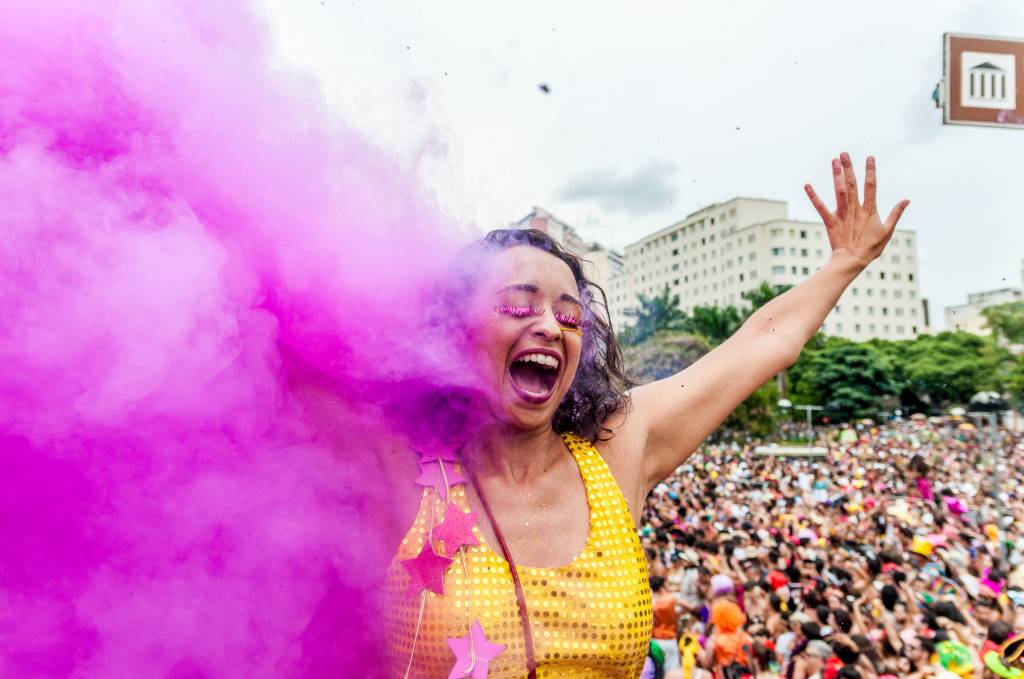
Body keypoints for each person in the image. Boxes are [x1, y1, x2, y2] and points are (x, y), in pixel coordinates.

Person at [382, 154, 908, 677]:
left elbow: (764, 341)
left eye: (569, 314)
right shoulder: (393, 469)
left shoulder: (618, 447)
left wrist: (844, 264)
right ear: (455, 329)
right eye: (520, 305)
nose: (549, 326)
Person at [653, 575, 683, 670]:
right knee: (672, 671)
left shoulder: (651, 602)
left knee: (658, 671)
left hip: (655, 641)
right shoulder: (671, 599)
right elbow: (688, 606)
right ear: (662, 587)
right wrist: (678, 614)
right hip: (670, 639)